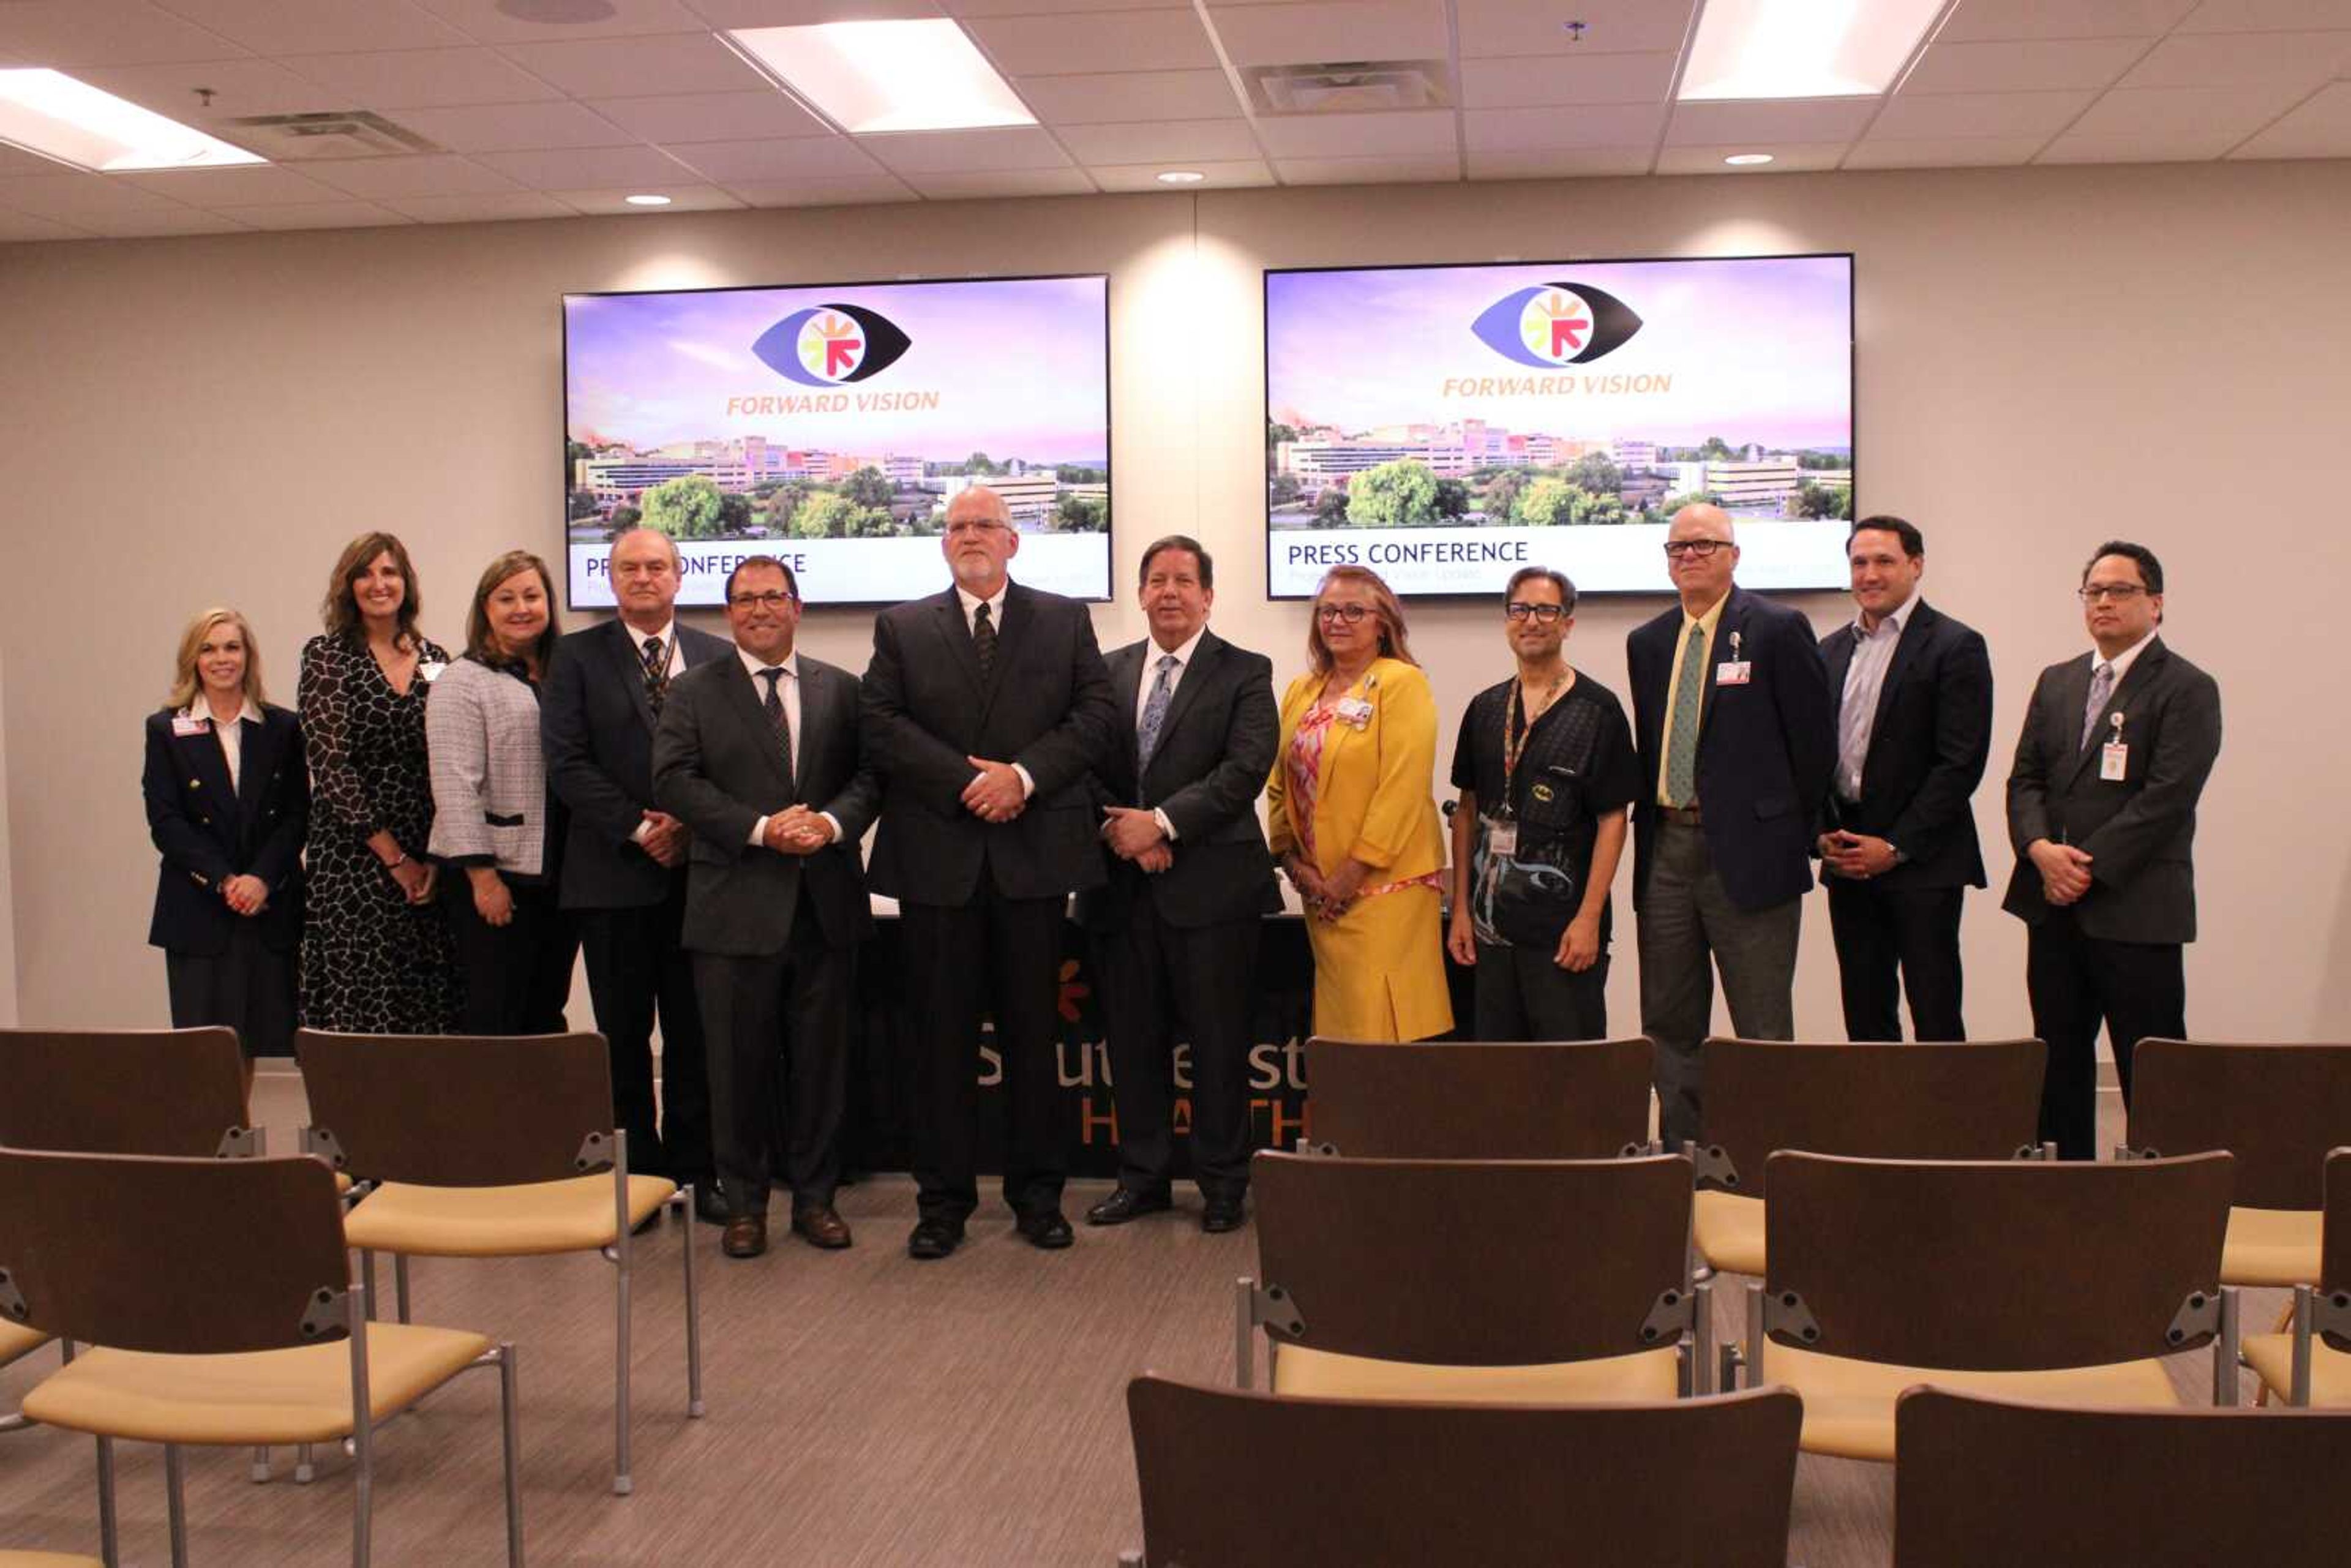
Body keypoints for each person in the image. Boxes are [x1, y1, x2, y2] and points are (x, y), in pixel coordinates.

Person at [862, 483, 1118, 1261]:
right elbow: (879, 723)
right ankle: (941, 1202)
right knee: (939, 1043)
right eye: (957, 526)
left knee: (1034, 1038)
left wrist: (1024, 778)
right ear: (945, 544)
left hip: (1035, 860)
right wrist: (967, 782)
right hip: (939, 864)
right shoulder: (903, 626)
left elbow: (1096, 717)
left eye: (986, 524)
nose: (971, 535)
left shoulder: (1064, 617)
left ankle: (1038, 1196)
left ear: (1014, 541)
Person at [653, 558, 878, 1259]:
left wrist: (832, 826)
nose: (758, 609)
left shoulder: (842, 689)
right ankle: (745, 1205)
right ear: (728, 613)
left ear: (797, 606)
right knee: (735, 1066)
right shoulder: (691, 691)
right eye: (744, 599)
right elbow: (674, 780)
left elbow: (871, 777)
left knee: (821, 1065)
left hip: (825, 906)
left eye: (772, 596)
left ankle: (816, 1201)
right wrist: (761, 827)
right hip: (733, 908)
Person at [1076, 536, 1280, 1235]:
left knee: (1219, 1045)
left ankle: (1224, 1184)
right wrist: (1127, 835)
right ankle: (1144, 1179)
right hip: (1120, 890)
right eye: (1157, 579)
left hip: (1214, 890)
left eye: (1184, 580)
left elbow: (1246, 768)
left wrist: (1162, 825)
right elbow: (1085, 765)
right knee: (1132, 1044)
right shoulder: (1105, 672)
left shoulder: (1247, 671)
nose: (1169, 591)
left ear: (1208, 595)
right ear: (1140, 593)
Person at [1625, 505, 1835, 1149]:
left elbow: (1814, 747)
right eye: (1678, 546)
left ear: (1733, 555)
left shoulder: (1775, 628)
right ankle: (1685, 1156)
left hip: (1749, 856)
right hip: (1666, 848)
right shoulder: (1649, 641)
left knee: (1763, 1026)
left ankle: (1767, 1159)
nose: (1689, 555)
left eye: (1704, 544)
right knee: (1669, 1021)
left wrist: (1777, 833)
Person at [2003, 541, 2220, 1160]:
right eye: (2093, 590)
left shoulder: (2187, 687)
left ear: (2156, 603)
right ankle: (2069, 1201)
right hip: (2054, 908)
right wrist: (2041, 848)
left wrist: (2083, 867)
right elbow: (2026, 781)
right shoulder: (2058, 681)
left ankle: (2166, 1211)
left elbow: (2167, 797)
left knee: (2152, 1073)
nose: (2104, 601)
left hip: (2137, 909)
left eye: (2120, 590)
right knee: (2059, 1064)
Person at [544, 525, 730, 1222]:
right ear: (610, 578)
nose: (644, 577)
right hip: (612, 873)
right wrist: (640, 825)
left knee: (694, 1032)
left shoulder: (716, 655)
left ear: (680, 577)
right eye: (630, 567)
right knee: (622, 1037)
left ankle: (696, 1169)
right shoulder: (575, 657)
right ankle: (638, 1181)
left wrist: (689, 824)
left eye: (657, 566)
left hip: (698, 874)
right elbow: (566, 762)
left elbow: (730, 760)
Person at [1817, 516, 1993, 1043]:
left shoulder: (1956, 645)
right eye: (1859, 562)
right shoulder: (1829, 650)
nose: (1870, 574)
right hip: (1848, 856)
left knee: (1935, 1012)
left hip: (1924, 860)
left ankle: (1943, 1127)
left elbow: (1960, 763)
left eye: (1884, 561)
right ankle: (1877, 1127)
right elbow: (1814, 756)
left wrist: (1894, 846)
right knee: (1866, 1016)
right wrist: (1823, 833)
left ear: (1916, 566)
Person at [1446, 568, 1638, 1041]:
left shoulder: (1598, 710)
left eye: (1546, 610)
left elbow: (1614, 819)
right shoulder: (1485, 708)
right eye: (1520, 610)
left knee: (1568, 1075)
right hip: (1491, 927)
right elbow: (1467, 809)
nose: (1531, 621)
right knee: (1499, 1074)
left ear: (1567, 622)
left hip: (1563, 930)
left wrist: (1589, 917)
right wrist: (1462, 912)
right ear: (1507, 620)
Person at [1266, 565, 1452, 1045]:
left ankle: (1393, 1123)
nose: (1338, 621)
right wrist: (1290, 860)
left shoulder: (1401, 682)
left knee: (1384, 1026)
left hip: (1385, 887)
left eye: (1354, 610)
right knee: (1341, 1027)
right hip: (1320, 892)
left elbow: (1403, 786)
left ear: (1382, 623)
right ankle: (1347, 1121)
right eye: (1328, 611)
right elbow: (1277, 780)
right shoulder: (1301, 691)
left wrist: (1350, 875)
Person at [299, 531, 458, 1035]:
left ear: (406, 583)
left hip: (429, 853)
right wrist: (394, 858)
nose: (378, 583)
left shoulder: (438, 658)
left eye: (389, 572)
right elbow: (330, 765)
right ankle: (356, 1117)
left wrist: (433, 858)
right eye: (365, 573)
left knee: (429, 1002)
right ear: (348, 586)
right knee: (363, 1007)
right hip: (354, 857)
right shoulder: (326, 656)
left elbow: (453, 760)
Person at [143, 608, 309, 1075]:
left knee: (259, 1040)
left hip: (268, 905)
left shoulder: (282, 728)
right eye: (209, 648)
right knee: (206, 1050)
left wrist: (260, 879)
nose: (222, 658)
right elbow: (166, 821)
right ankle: (212, 1143)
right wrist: (224, 880)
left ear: (248, 655)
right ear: (193, 659)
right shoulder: (165, 729)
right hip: (198, 908)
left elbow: (298, 814)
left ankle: (242, 1145)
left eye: (232, 647)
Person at [426, 550, 577, 1036]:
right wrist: (483, 878)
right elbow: (454, 785)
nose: (522, 608)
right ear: (485, 608)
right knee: (495, 1013)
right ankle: (487, 1115)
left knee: (545, 1008)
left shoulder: (563, 674)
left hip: (557, 874)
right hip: (496, 877)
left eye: (532, 596)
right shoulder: (462, 680)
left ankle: (539, 1113)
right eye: (506, 598)